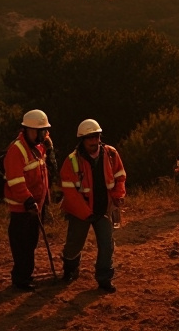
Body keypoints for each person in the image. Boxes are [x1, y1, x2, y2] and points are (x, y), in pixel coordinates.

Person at [59, 118, 127, 293]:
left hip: (103, 210)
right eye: (90, 138)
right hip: (81, 212)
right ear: (82, 139)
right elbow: (70, 193)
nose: (94, 141)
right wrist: (85, 212)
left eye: (96, 136)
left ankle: (104, 279)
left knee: (107, 245)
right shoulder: (72, 161)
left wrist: (118, 196)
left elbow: (120, 176)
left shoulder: (111, 154)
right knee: (74, 244)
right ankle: (70, 269)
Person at [3, 108, 52, 291]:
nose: (44, 135)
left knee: (31, 242)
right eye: (41, 131)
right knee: (22, 245)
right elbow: (16, 181)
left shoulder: (38, 148)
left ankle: (26, 275)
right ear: (29, 130)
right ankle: (21, 279)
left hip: (34, 206)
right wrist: (28, 199)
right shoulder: (17, 150)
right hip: (22, 209)